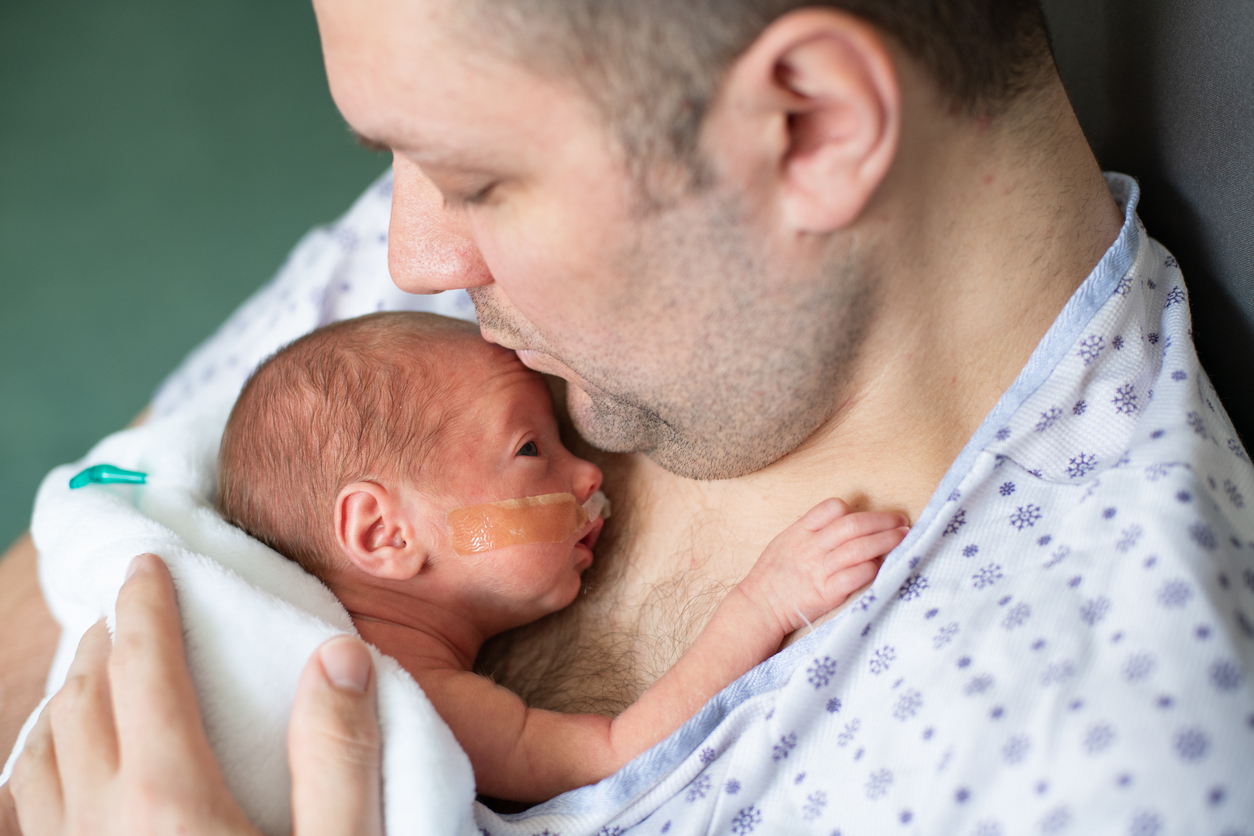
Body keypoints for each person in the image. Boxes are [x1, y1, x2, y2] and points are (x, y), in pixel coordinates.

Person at [3, 0, 1252, 833]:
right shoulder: (441, 307)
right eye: (402, 159)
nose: (407, 251)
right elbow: (60, 602)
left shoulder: (1087, 767)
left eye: (474, 180)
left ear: (807, 124)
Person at [216, 310, 906, 802]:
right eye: (529, 450)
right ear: (383, 534)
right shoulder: (411, 694)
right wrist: (765, 600)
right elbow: (613, 751)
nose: (588, 477)